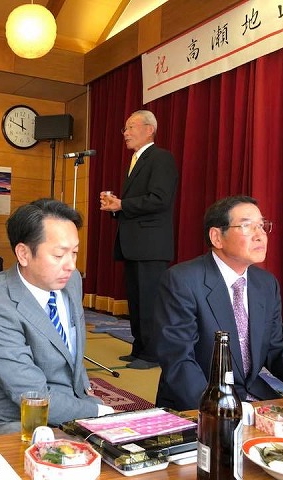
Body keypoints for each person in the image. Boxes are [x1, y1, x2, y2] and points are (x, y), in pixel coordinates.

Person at [154, 195, 283, 411]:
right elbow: (179, 360)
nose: (260, 235)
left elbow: (276, 349)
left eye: (262, 226)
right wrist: (221, 413)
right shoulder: (183, 280)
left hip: (254, 397)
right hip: (199, 402)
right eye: (247, 226)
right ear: (217, 237)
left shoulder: (266, 284)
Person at [0, 199, 113, 438]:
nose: (71, 265)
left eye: (75, 252)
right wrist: (99, 412)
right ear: (24, 254)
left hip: (72, 409)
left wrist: (87, 396)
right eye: (59, 255)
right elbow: (33, 396)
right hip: (16, 421)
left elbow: (70, 355)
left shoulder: (71, 280)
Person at [99, 109, 178, 370]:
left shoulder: (161, 158)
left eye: (131, 127)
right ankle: (140, 348)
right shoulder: (135, 160)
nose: (125, 133)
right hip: (134, 244)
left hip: (151, 245)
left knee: (150, 302)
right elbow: (136, 203)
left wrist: (122, 204)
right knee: (136, 300)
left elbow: (159, 199)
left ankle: (153, 354)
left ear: (149, 129)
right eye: (125, 128)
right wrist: (116, 207)